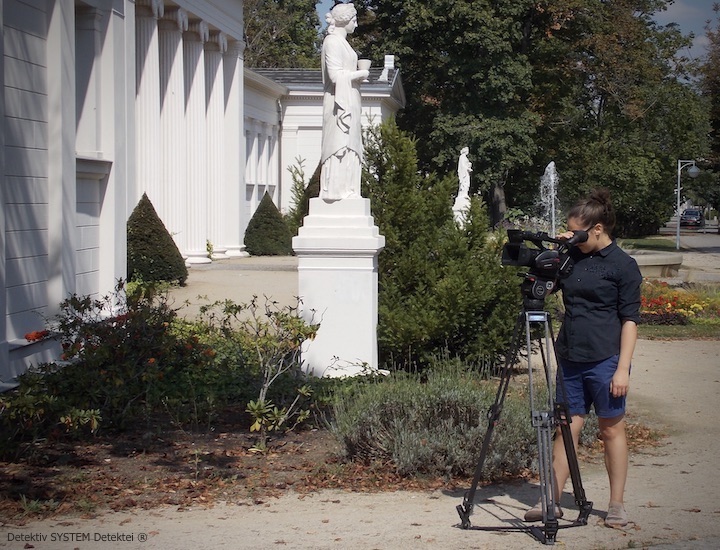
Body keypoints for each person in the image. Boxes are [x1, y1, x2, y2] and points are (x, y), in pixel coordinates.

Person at [524, 188, 642, 528]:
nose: (574, 238)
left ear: (598, 229)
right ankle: (550, 500)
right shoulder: (571, 259)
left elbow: (630, 320)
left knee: (611, 430)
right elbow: (543, 279)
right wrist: (556, 250)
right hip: (571, 357)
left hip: (607, 359)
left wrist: (622, 370)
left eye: (578, 232)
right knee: (566, 429)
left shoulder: (624, 266)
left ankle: (616, 504)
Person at [319, 2, 369, 201]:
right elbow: (334, 75)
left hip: (351, 99)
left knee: (351, 145)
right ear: (345, 20)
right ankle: (334, 190)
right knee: (339, 144)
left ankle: (349, 189)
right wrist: (360, 73)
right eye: (354, 20)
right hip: (337, 104)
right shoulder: (332, 42)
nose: (356, 24)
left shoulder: (344, 43)